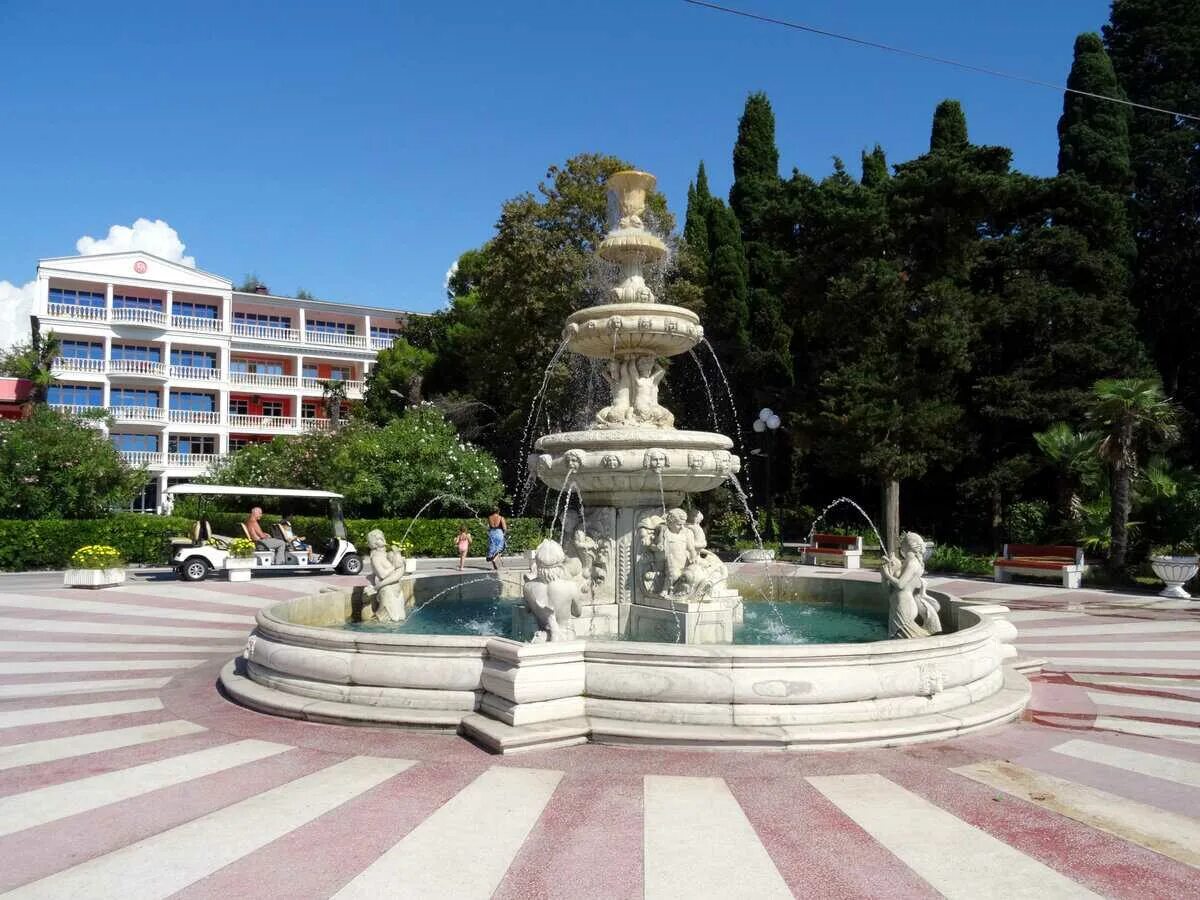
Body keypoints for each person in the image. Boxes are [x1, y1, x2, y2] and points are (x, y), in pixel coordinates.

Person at [486, 506, 507, 571]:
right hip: (499, 533)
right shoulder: (501, 517)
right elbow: (504, 528)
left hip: (492, 533)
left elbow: (488, 527)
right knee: (501, 548)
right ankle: (494, 559)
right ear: (498, 511)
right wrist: (504, 533)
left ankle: (493, 562)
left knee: (493, 548)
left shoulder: (489, 517)